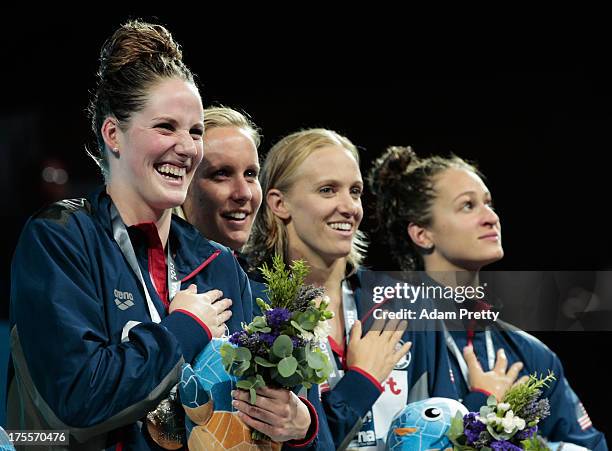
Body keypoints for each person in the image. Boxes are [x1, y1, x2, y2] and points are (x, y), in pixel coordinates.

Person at [6, 21, 305, 450]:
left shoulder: (218, 264)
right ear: (114, 134)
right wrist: (182, 328)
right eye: (166, 127)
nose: (186, 147)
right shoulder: (61, 239)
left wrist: (296, 422)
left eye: (195, 131)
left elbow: (248, 416)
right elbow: (78, 398)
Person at [368, 146, 608, 450]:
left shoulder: (530, 354)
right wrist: (481, 405)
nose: (491, 217)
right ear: (422, 234)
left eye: (488, 203)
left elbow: (590, 445)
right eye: (467, 205)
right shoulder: (393, 336)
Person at [245, 128, 412, 450]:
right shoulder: (255, 306)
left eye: (355, 191)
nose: (349, 207)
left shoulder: (397, 302)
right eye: (327, 190)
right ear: (279, 203)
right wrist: (361, 382)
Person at [178, 106, 320, 448]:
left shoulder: (275, 301)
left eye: (252, 174)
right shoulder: (156, 282)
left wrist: (303, 425)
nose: (243, 192)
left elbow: (314, 438)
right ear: (183, 182)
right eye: (221, 174)